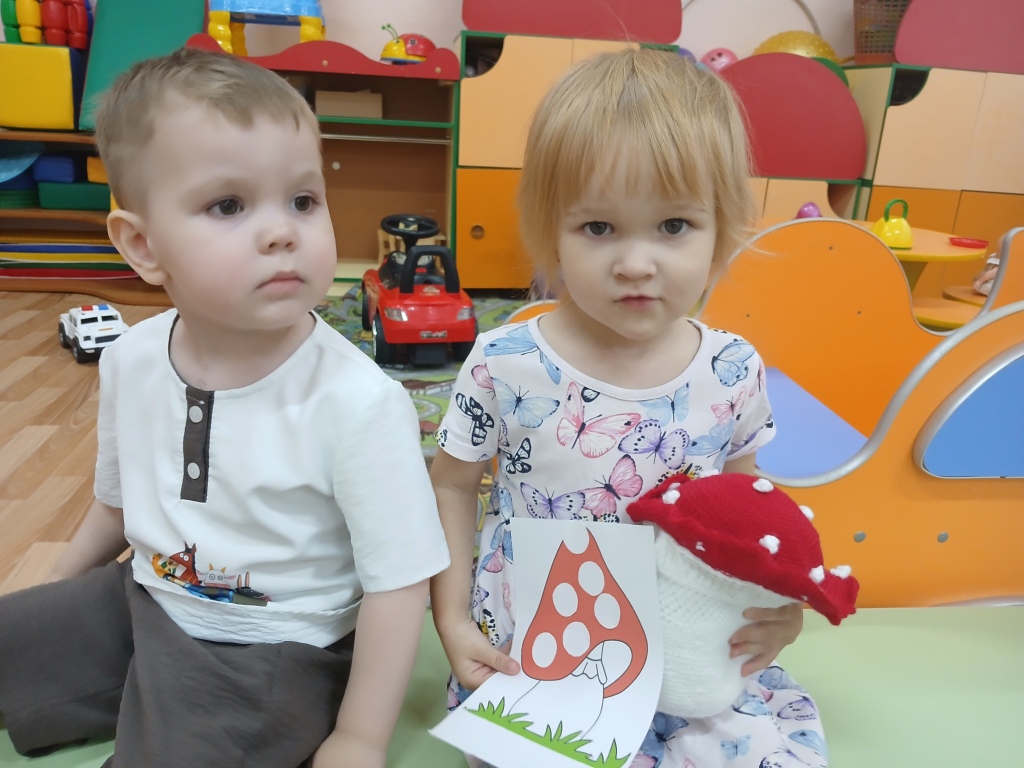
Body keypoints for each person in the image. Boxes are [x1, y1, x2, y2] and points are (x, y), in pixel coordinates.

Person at [0, 47, 449, 768]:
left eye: (303, 201)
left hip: (274, 646)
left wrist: (359, 738)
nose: (282, 232)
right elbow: (116, 507)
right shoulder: (131, 359)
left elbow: (400, 587)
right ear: (143, 246)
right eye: (229, 206)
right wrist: (55, 600)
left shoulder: (358, 402)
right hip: (146, 598)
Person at [430, 49, 826, 767]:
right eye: (598, 228)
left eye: (673, 226)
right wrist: (452, 620)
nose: (636, 263)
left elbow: (748, 517)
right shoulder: (505, 362)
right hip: (536, 651)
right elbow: (454, 488)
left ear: (722, 228)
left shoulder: (732, 369)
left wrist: (781, 613)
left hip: (683, 643)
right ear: (550, 230)